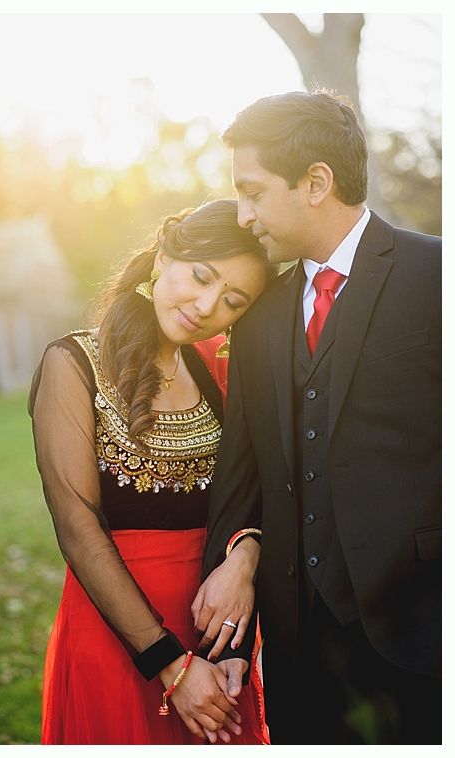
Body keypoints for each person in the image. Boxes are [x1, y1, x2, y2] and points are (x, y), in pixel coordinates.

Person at [194, 90, 441, 744]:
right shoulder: (260, 317)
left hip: (423, 641)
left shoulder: (436, 275)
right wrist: (231, 644)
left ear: (316, 183)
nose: (243, 217)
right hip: (301, 653)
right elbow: (240, 476)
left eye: (252, 192)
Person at [29, 199, 275, 745]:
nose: (207, 304)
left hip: (217, 634)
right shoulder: (72, 363)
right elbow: (77, 526)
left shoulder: (217, 370)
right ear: (166, 252)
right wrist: (171, 667)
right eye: (202, 276)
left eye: (232, 300)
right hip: (119, 635)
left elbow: (254, 491)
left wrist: (244, 558)